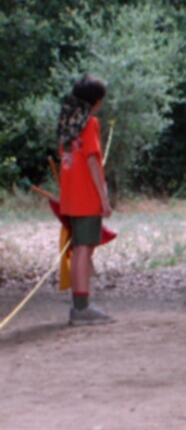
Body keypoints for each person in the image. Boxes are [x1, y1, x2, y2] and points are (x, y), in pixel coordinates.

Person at [57, 75, 113, 326]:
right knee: (83, 250)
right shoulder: (90, 123)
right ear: (96, 101)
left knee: (79, 248)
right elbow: (92, 160)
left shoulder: (67, 124)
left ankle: (79, 305)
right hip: (86, 196)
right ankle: (81, 308)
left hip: (70, 197)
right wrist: (103, 198)